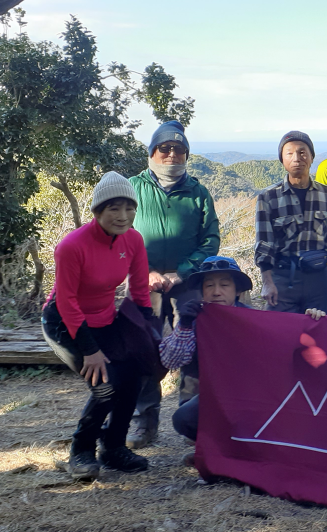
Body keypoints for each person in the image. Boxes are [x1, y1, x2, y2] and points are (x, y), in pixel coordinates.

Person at [40, 172, 154, 481]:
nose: (123, 216)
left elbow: (140, 291)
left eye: (129, 208)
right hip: (64, 322)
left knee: (131, 379)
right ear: (98, 211)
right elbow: (66, 302)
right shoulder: (72, 246)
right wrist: (90, 351)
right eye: (114, 208)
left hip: (106, 319)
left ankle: (113, 448)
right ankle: (81, 451)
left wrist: (150, 332)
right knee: (104, 387)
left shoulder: (133, 239)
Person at [127, 120, 221, 450]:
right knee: (143, 348)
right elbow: (121, 235)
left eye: (179, 149)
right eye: (164, 148)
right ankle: (144, 421)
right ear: (152, 151)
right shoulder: (133, 187)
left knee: (194, 346)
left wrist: (182, 272)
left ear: (186, 155)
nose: (171, 154)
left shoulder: (197, 192)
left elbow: (211, 239)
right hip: (144, 283)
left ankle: (189, 418)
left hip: (188, 282)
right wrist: (147, 271)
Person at [158, 256, 253, 462]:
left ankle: (229, 449)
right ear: (201, 291)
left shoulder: (256, 320)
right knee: (184, 419)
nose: (216, 291)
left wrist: (312, 320)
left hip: (248, 399)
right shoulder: (194, 318)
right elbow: (169, 361)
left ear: (237, 290)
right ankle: (213, 446)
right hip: (208, 398)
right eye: (209, 285)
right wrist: (183, 324)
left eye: (224, 285)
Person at [255, 131, 327, 313]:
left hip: (318, 278)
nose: (296, 158)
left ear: (312, 157)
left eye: (302, 152)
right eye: (289, 153)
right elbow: (264, 244)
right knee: (280, 333)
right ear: (282, 160)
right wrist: (267, 283)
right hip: (283, 278)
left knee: (318, 332)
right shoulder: (268, 196)